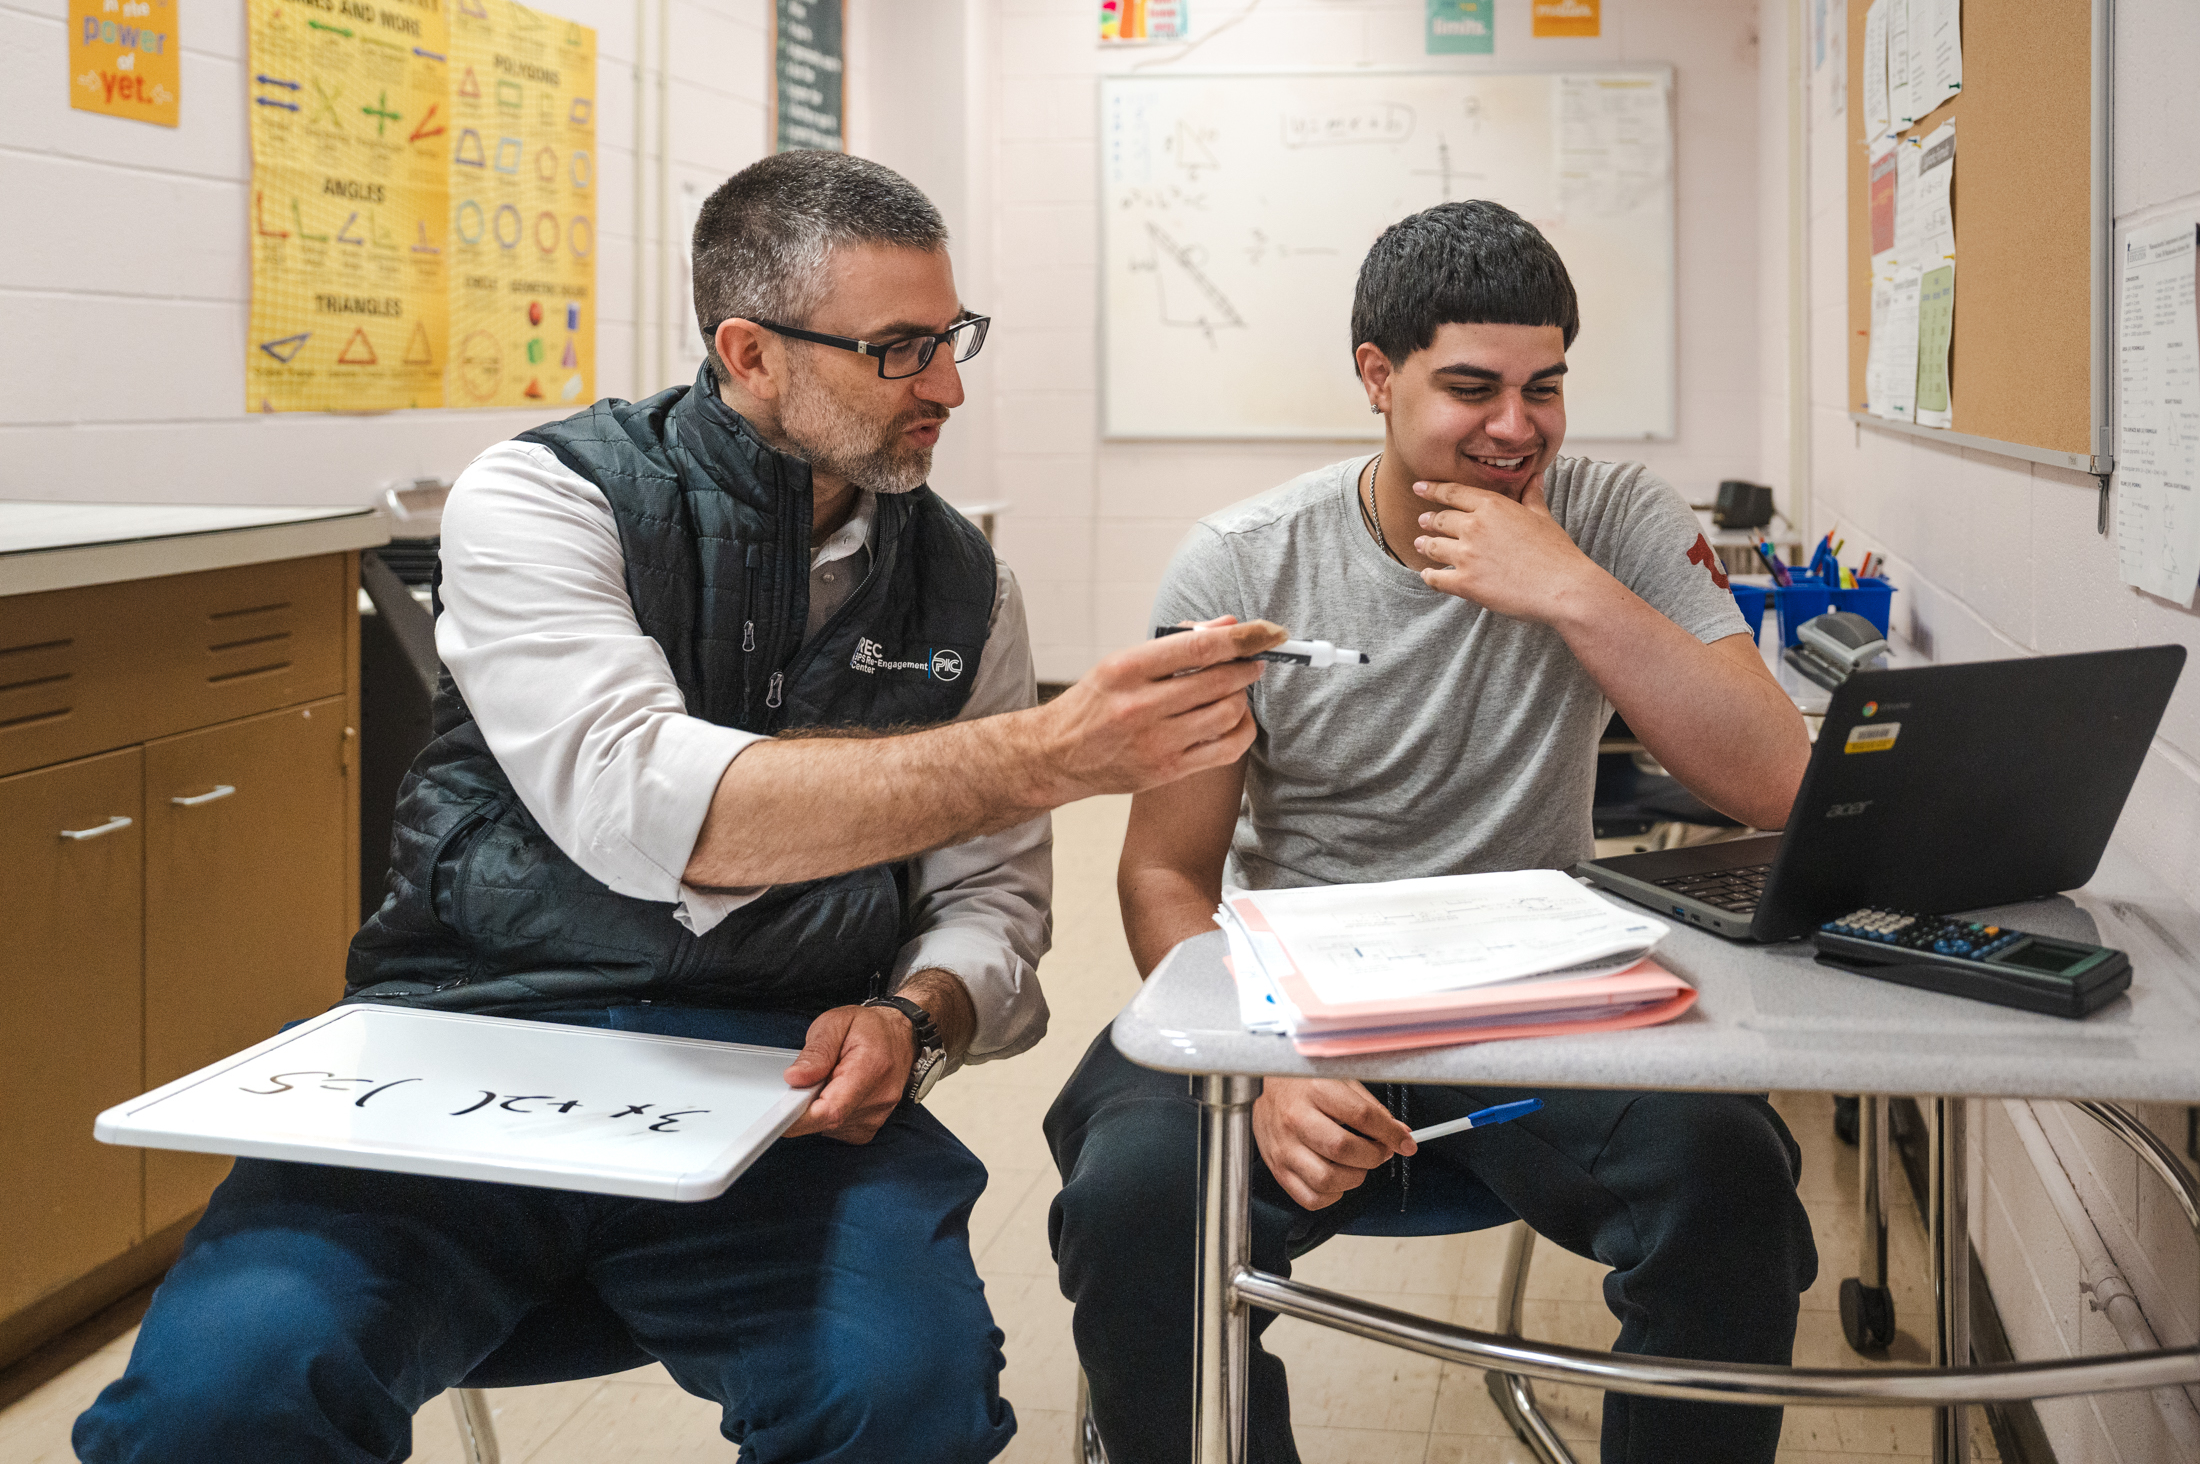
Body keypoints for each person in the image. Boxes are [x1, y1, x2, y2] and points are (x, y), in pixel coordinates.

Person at [75, 152, 1275, 1464]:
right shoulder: (547, 498)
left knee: (899, 1396)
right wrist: (1046, 751)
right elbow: (660, 811)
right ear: (749, 353)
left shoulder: (964, 585)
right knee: (219, 1398)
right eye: (899, 349)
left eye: (952, 336)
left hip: (780, 1086)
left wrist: (915, 1015)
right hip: (473, 1046)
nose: (948, 387)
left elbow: (988, 897)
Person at [1045, 200, 1820, 1464]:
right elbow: (1163, 872)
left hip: (1537, 997)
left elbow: (1778, 783)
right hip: (1290, 994)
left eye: (1543, 388)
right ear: (1377, 375)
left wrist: (1569, 588)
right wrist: (1265, 1060)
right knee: (1131, 1206)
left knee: (1727, 1186)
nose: (1516, 427)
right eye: (1471, 388)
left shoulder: (1613, 516)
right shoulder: (1241, 563)